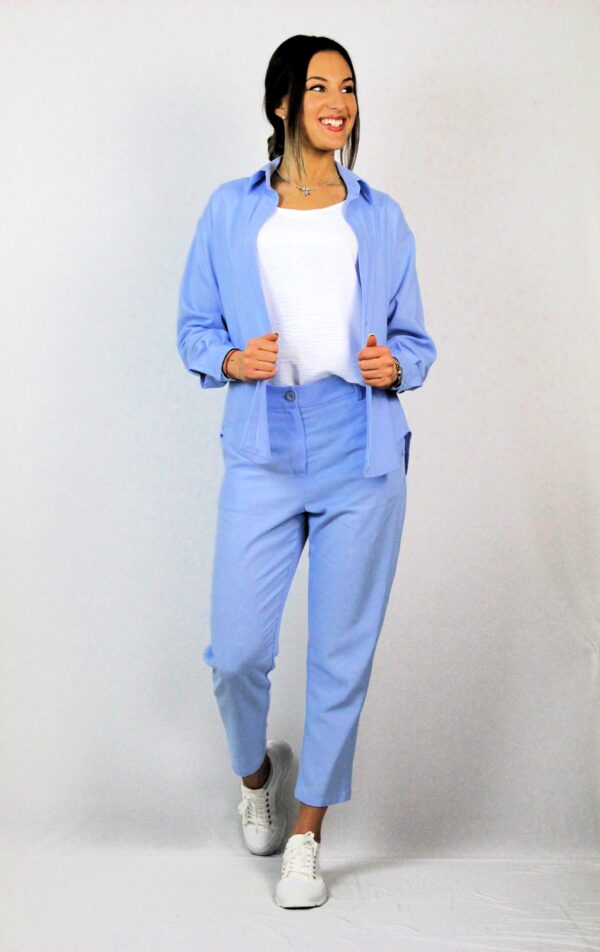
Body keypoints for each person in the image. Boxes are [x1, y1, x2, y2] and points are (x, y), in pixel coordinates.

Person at [176, 34, 437, 909]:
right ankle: (258, 777)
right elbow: (193, 327)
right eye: (319, 87)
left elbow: (416, 341)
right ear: (283, 102)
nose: (338, 102)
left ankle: (306, 836)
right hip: (263, 442)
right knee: (237, 653)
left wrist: (396, 366)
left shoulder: (380, 216)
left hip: (360, 444)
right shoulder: (231, 209)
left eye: (349, 87)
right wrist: (230, 359)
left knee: (339, 655)